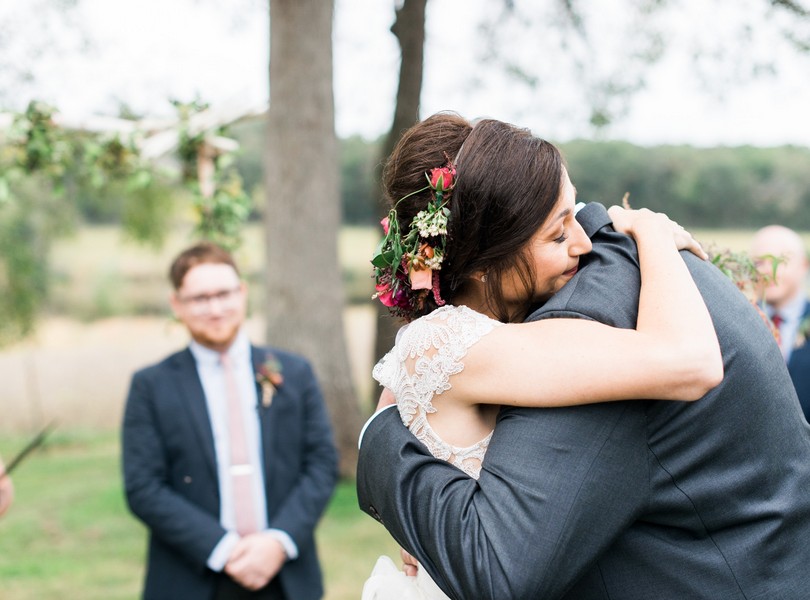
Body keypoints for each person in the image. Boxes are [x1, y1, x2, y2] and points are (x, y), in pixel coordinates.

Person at [357, 113, 810, 599]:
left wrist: (423, 525)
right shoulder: (471, 343)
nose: (585, 241)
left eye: (576, 212)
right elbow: (689, 360)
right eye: (557, 234)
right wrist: (653, 234)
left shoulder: (445, 339)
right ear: (487, 260)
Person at [122, 242, 339, 600]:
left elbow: (321, 463)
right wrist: (223, 549)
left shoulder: (294, 372)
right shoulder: (151, 385)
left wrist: (278, 541)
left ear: (243, 293)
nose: (216, 308)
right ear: (176, 304)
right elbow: (143, 486)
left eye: (224, 293)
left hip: (285, 577)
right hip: (191, 576)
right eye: (200, 298)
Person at [751, 224, 810, 422]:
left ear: (804, 266)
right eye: (759, 263)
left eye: (778, 262)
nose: (768, 271)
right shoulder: (738, 322)